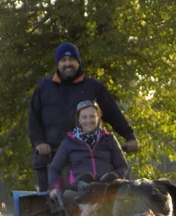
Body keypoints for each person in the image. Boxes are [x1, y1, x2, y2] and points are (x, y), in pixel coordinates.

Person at [27, 42, 139, 191]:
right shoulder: (43, 87)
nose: (68, 64)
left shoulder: (93, 87)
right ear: (58, 63)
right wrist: (39, 142)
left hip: (84, 155)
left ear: (78, 62)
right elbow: (33, 119)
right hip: (51, 156)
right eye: (63, 60)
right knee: (49, 203)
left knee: (104, 192)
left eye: (72, 60)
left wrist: (129, 136)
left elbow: (113, 113)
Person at [48, 100, 128, 198]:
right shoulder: (69, 141)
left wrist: (115, 176)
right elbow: (54, 168)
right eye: (84, 117)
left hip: (106, 186)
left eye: (92, 116)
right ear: (79, 120)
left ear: (98, 118)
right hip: (80, 188)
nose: (88, 120)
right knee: (87, 177)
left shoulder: (109, 139)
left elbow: (122, 166)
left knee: (110, 178)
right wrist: (54, 188)